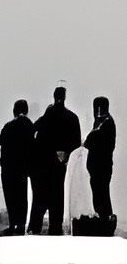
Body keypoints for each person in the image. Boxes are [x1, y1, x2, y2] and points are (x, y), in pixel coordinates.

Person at [31, 85, 82, 236]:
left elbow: (34, 133)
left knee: (40, 197)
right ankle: (55, 228)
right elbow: (76, 142)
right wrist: (64, 153)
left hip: (43, 163)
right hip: (60, 165)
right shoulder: (72, 117)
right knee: (57, 197)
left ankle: (35, 227)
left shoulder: (47, 116)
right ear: (65, 97)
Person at [0, 100, 35, 234]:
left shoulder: (9, 125)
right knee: (21, 196)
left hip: (9, 167)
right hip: (23, 167)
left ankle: (13, 225)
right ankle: (22, 225)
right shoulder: (30, 125)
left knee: (11, 196)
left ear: (14, 110)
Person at [87, 95, 116, 227]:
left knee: (101, 192)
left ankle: (105, 218)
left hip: (101, 166)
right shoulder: (103, 122)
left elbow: (93, 139)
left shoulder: (106, 122)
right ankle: (103, 216)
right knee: (100, 191)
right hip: (99, 166)